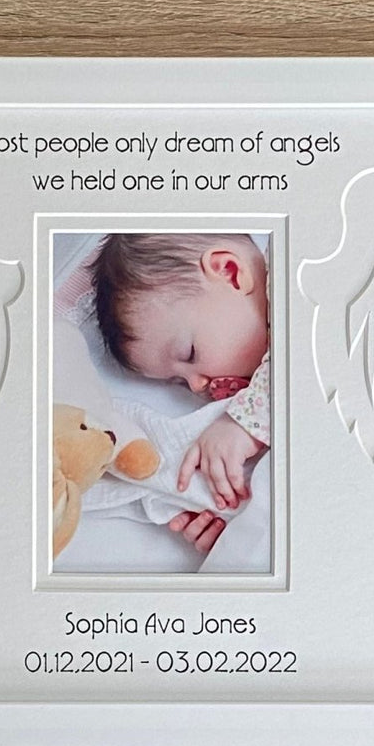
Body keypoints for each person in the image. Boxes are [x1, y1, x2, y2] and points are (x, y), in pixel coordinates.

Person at [89, 233, 270, 553]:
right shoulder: (246, 380)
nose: (198, 385)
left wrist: (243, 423)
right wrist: (226, 513)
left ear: (230, 272)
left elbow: (309, 355)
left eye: (189, 354)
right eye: (180, 382)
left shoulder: (294, 278)